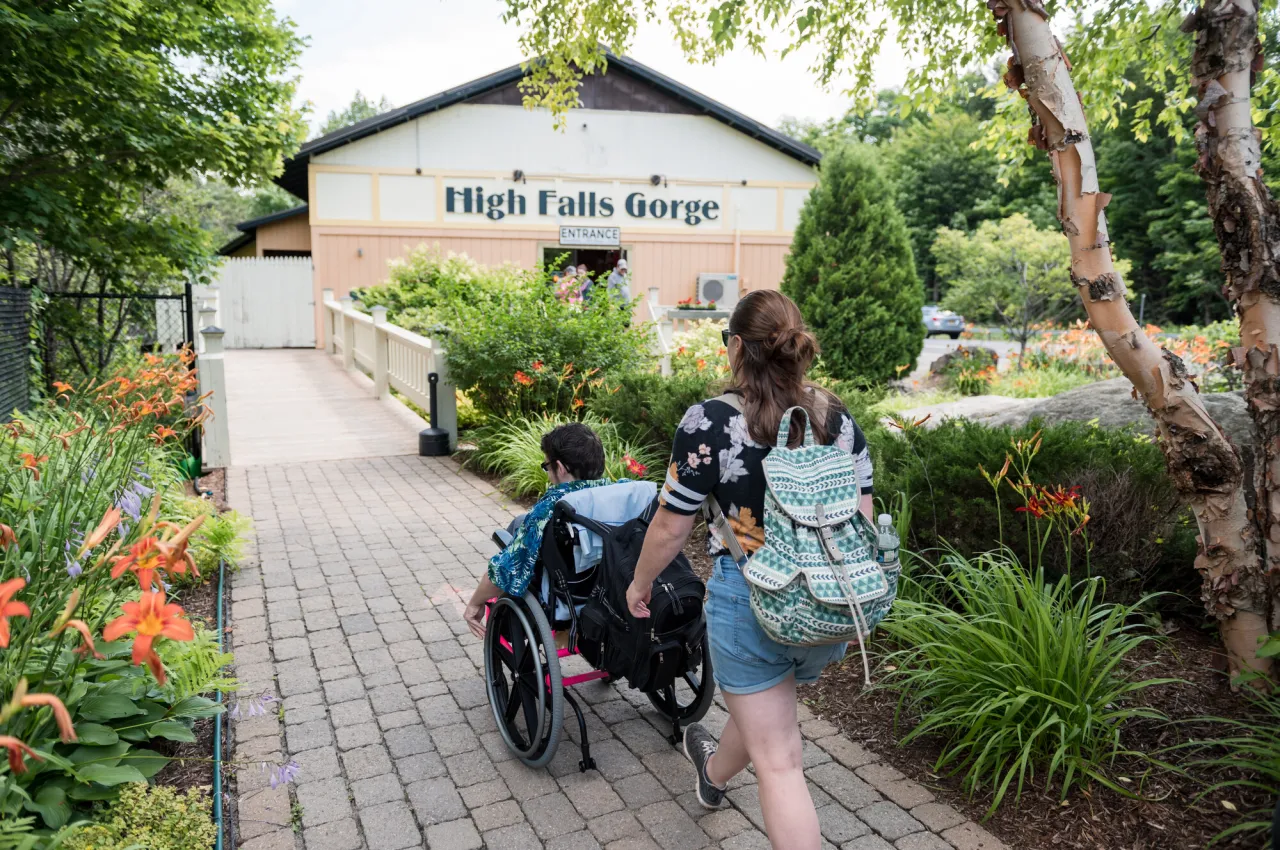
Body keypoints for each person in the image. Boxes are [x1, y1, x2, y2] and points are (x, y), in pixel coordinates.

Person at [624, 289, 873, 850]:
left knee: (781, 763)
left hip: (752, 603)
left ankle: (717, 772)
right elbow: (861, 514)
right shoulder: (833, 414)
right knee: (766, 710)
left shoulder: (709, 421)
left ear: (736, 346)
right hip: (827, 603)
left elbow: (670, 525)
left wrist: (639, 585)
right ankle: (711, 775)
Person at [462, 423, 614, 639]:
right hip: (605, 585)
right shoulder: (617, 496)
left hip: (563, 594)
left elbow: (506, 570)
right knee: (520, 522)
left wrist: (474, 604)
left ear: (560, 468)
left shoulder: (550, 510)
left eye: (547, 465)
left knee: (517, 536)